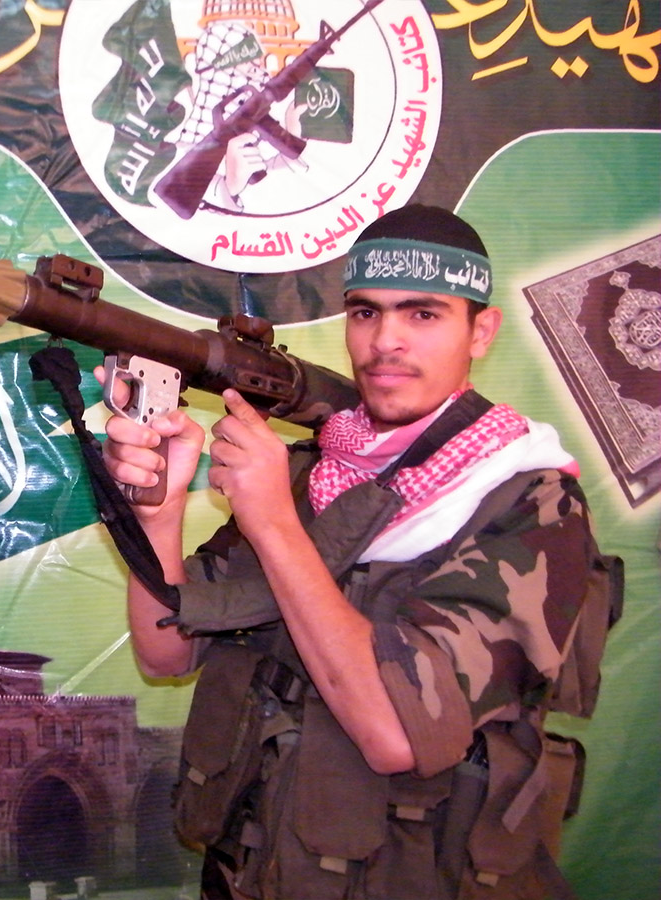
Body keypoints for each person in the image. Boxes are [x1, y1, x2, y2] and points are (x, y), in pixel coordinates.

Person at [99, 205, 611, 899]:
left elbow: (396, 735)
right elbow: (166, 652)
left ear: (481, 331)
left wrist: (274, 523)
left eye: (423, 314)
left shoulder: (530, 503)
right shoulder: (314, 473)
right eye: (365, 312)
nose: (385, 341)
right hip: (249, 872)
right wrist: (158, 518)